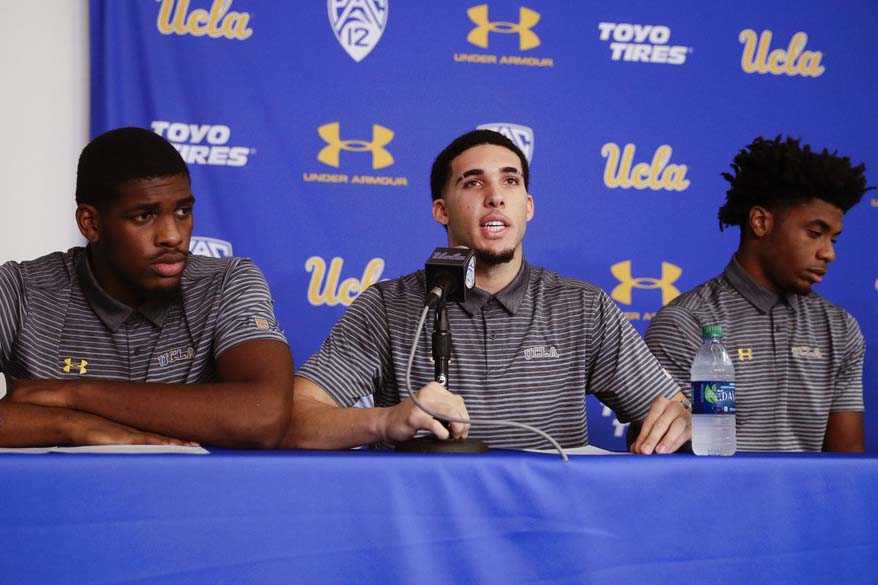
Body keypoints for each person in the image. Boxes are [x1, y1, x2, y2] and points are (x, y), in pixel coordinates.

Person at [285, 129, 689, 454]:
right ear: (441, 210)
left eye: (510, 181)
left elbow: (672, 410)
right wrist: (386, 421)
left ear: (527, 206)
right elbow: (294, 417)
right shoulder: (388, 306)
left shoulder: (583, 307)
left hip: (550, 533)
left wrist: (682, 420)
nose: (495, 196)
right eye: (474, 182)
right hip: (423, 537)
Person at [0, 127, 294, 448]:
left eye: (183, 211)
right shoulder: (19, 290)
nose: (172, 235)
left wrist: (70, 392)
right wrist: (72, 426)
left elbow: (263, 416)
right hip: (59, 497)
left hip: (195, 497)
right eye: (144, 216)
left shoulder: (226, 283)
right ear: (91, 223)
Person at [645, 136, 871, 452]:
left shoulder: (839, 328)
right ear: (761, 222)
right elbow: (667, 457)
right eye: (815, 233)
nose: (828, 253)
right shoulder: (685, 323)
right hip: (717, 501)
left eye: (834, 239)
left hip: (812, 503)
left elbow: (847, 467)